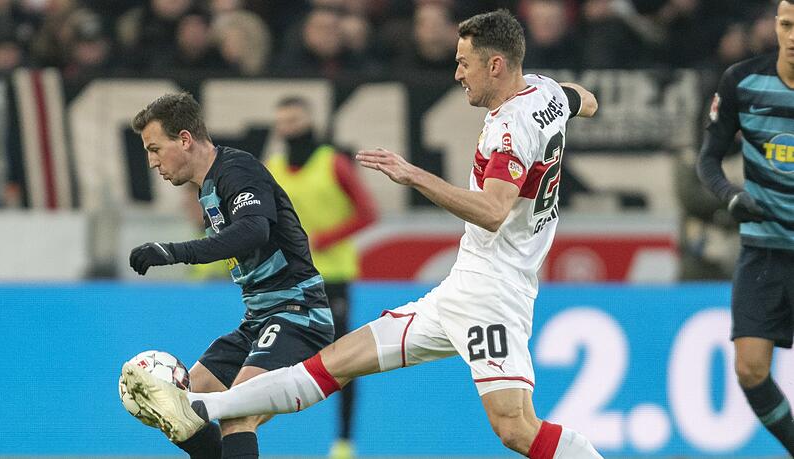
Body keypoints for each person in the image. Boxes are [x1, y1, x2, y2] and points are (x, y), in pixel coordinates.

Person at [123, 10, 601, 458]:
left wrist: (414, 176)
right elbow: (586, 100)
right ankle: (200, 406)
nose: (457, 73)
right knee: (335, 363)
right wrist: (559, 108)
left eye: (464, 63)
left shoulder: (509, 130)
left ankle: (198, 407)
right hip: (460, 287)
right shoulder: (544, 94)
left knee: (515, 428)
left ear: (495, 65)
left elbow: (493, 211)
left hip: (493, 295)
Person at [125, 92, 335, 459]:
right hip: (259, 320)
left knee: (238, 412)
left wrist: (174, 251)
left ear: (185, 139)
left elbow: (254, 229)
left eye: (155, 149)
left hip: (298, 315)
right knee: (179, 409)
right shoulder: (210, 186)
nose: (152, 161)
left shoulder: (236, 169)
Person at [696, 0, 794, 454]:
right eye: (786, 25)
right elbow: (708, 159)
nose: (792, 37)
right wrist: (730, 195)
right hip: (763, 249)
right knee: (750, 369)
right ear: (775, 26)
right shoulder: (742, 81)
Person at [266, 96, 377, 459]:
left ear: (309, 122)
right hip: (289, 277)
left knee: (343, 358)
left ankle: (344, 441)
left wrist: (324, 239)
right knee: (274, 353)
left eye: (294, 120)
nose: (289, 128)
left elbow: (368, 212)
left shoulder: (333, 163)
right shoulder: (274, 167)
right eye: (282, 122)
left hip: (332, 276)